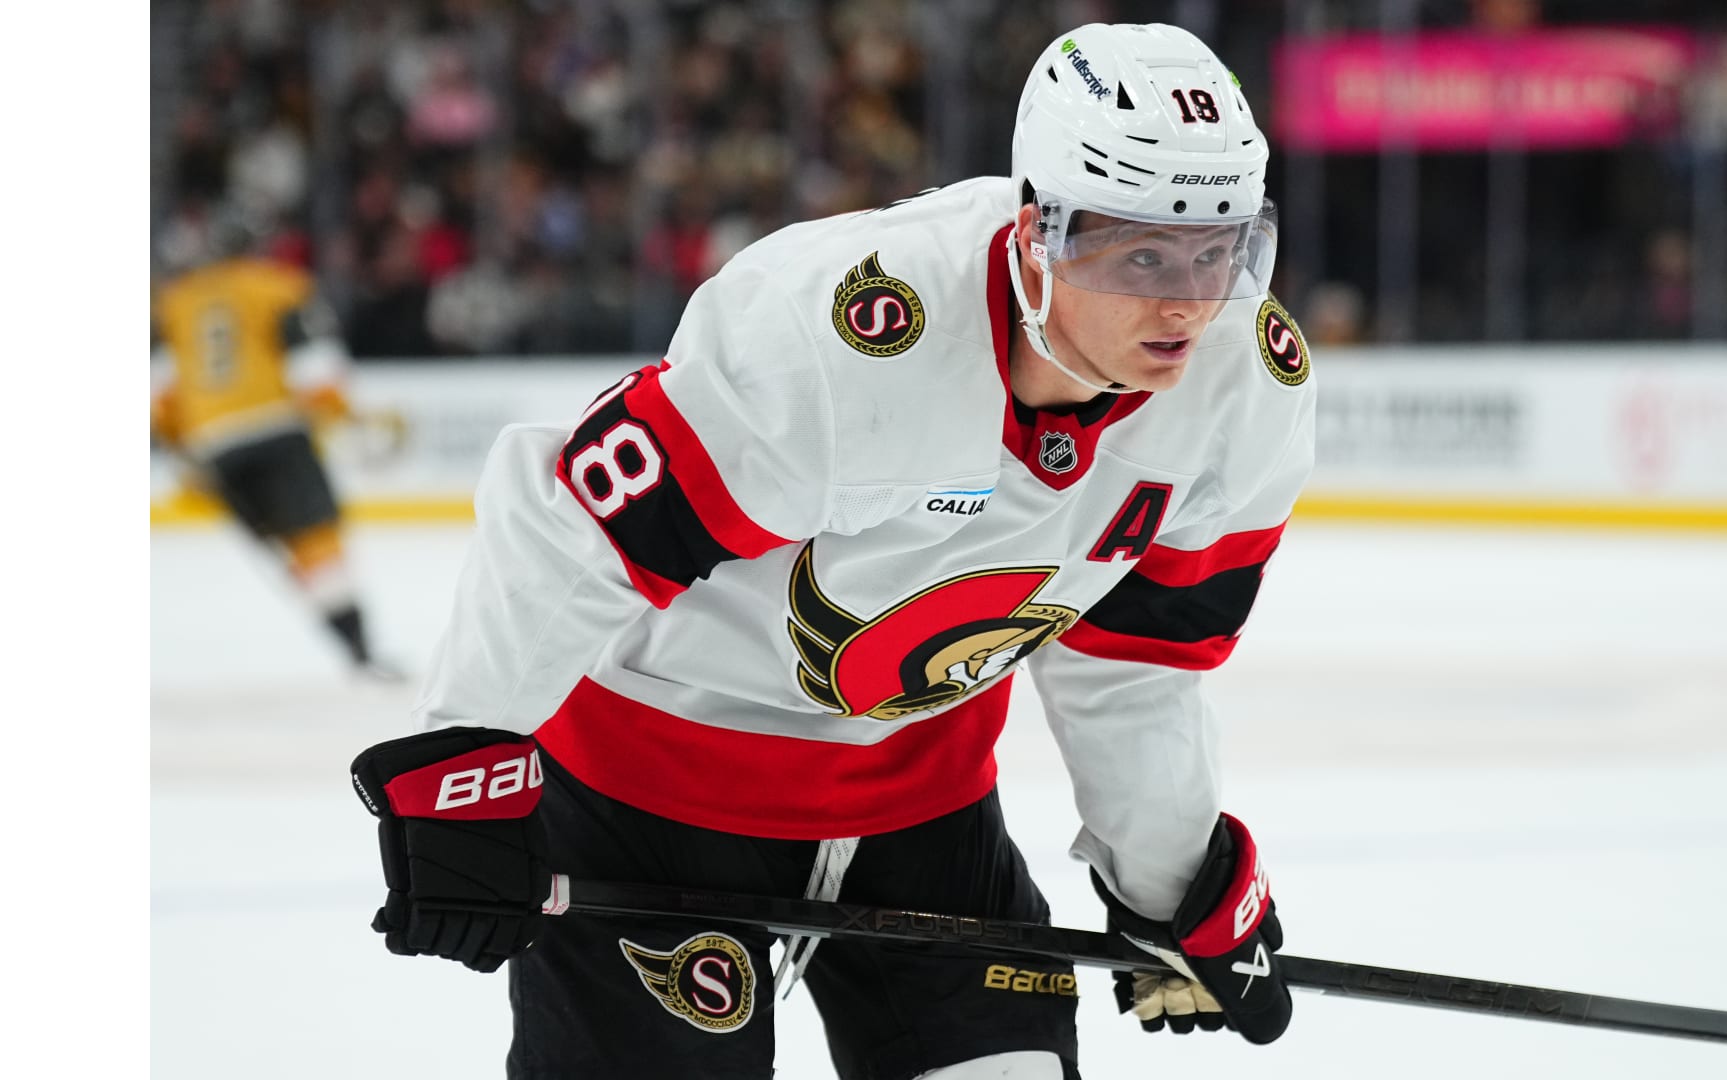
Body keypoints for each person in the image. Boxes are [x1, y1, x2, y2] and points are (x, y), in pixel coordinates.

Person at [350, 22, 1313, 1079]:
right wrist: (464, 764)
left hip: (926, 816)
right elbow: (578, 519)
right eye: (1143, 255)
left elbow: (1136, 662)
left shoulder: (1245, 386)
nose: (1186, 303)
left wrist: (1173, 884)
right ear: (1039, 231)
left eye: (1220, 251)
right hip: (653, 804)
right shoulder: (846, 329)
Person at [151, 215, 394, 678]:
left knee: (288, 550)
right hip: (275, 428)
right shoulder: (279, 286)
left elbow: (160, 394)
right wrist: (344, 415)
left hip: (213, 446)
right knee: (317, 542)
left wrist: (183, 450)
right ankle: (359, 648)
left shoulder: (175, 301)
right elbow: (315, 368)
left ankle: (352, 644)